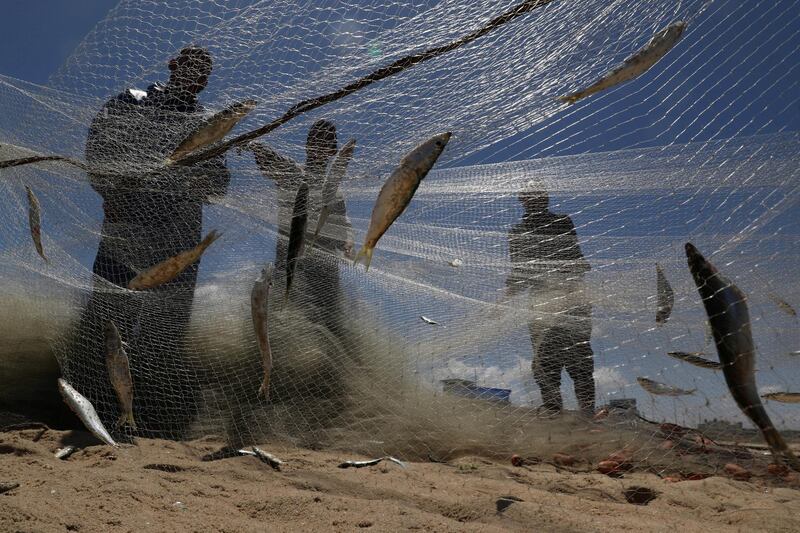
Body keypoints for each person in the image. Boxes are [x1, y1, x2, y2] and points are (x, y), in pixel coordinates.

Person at [66, 47, 231, 439]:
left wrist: (203, 171)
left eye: (204, 72)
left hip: (180, 237)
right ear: (173, 66)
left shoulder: (207, 123)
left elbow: (220, 183)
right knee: (109, 312)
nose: (197, 76)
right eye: (191, 66)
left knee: (167, 323)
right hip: (128, 225)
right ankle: (90, 404)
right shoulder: (131, 101)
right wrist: (111, 193)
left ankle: (154, 417)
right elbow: (99, 146)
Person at [250, 120, 354, 336]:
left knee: (327, 320)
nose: (318, 146)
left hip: (326, 266)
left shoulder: (335, 191)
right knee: (288, 318)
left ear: (332, 151)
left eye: (325, 142)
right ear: (307, 145)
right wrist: (256, 147)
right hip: (292, 264)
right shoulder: (294, 174)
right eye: (314, 140)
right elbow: (275, 163)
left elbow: (343, 221)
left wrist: (348, 240)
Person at [503, 188, 595, 417]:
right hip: (541, 304)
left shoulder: (562, 221)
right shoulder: (517, 232)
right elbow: (519, 272)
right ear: (522, 201)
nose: (536, 201)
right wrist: (503, 299)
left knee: (579, 361)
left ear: (546, 199)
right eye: (530, 197)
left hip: (572, 300)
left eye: (540, 196)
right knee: (545, 362)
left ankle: (587, 415)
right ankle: (554, 413)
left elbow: (574, 257)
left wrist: (573, 291)